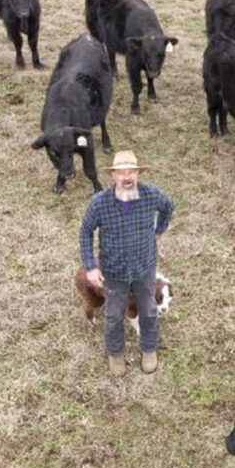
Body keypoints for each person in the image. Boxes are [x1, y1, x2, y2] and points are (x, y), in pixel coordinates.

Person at [79, 150, 175, 376]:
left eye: (131, 171)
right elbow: (85, 231)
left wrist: (159, 231)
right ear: (113, 176)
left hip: (144, 266)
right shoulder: (99, 203)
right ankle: (116, 355)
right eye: (121, 172)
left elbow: (169, 207)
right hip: (114, 270)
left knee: (149, 310)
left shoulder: (151, 194)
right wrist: (90, 267)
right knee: (113, 316)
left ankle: (149, 350)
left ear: (138, 173)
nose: (126, 177)